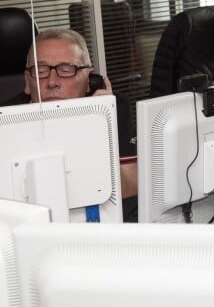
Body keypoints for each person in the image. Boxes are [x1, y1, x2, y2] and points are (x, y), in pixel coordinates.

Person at [4, 28, 138, 222]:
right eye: (40, 72)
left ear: (89, 81)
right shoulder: (5, 120)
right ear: (27, 81)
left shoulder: (113, 109)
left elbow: (130, 190)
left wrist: (99, 124)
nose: (52, 82)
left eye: (66, 70)